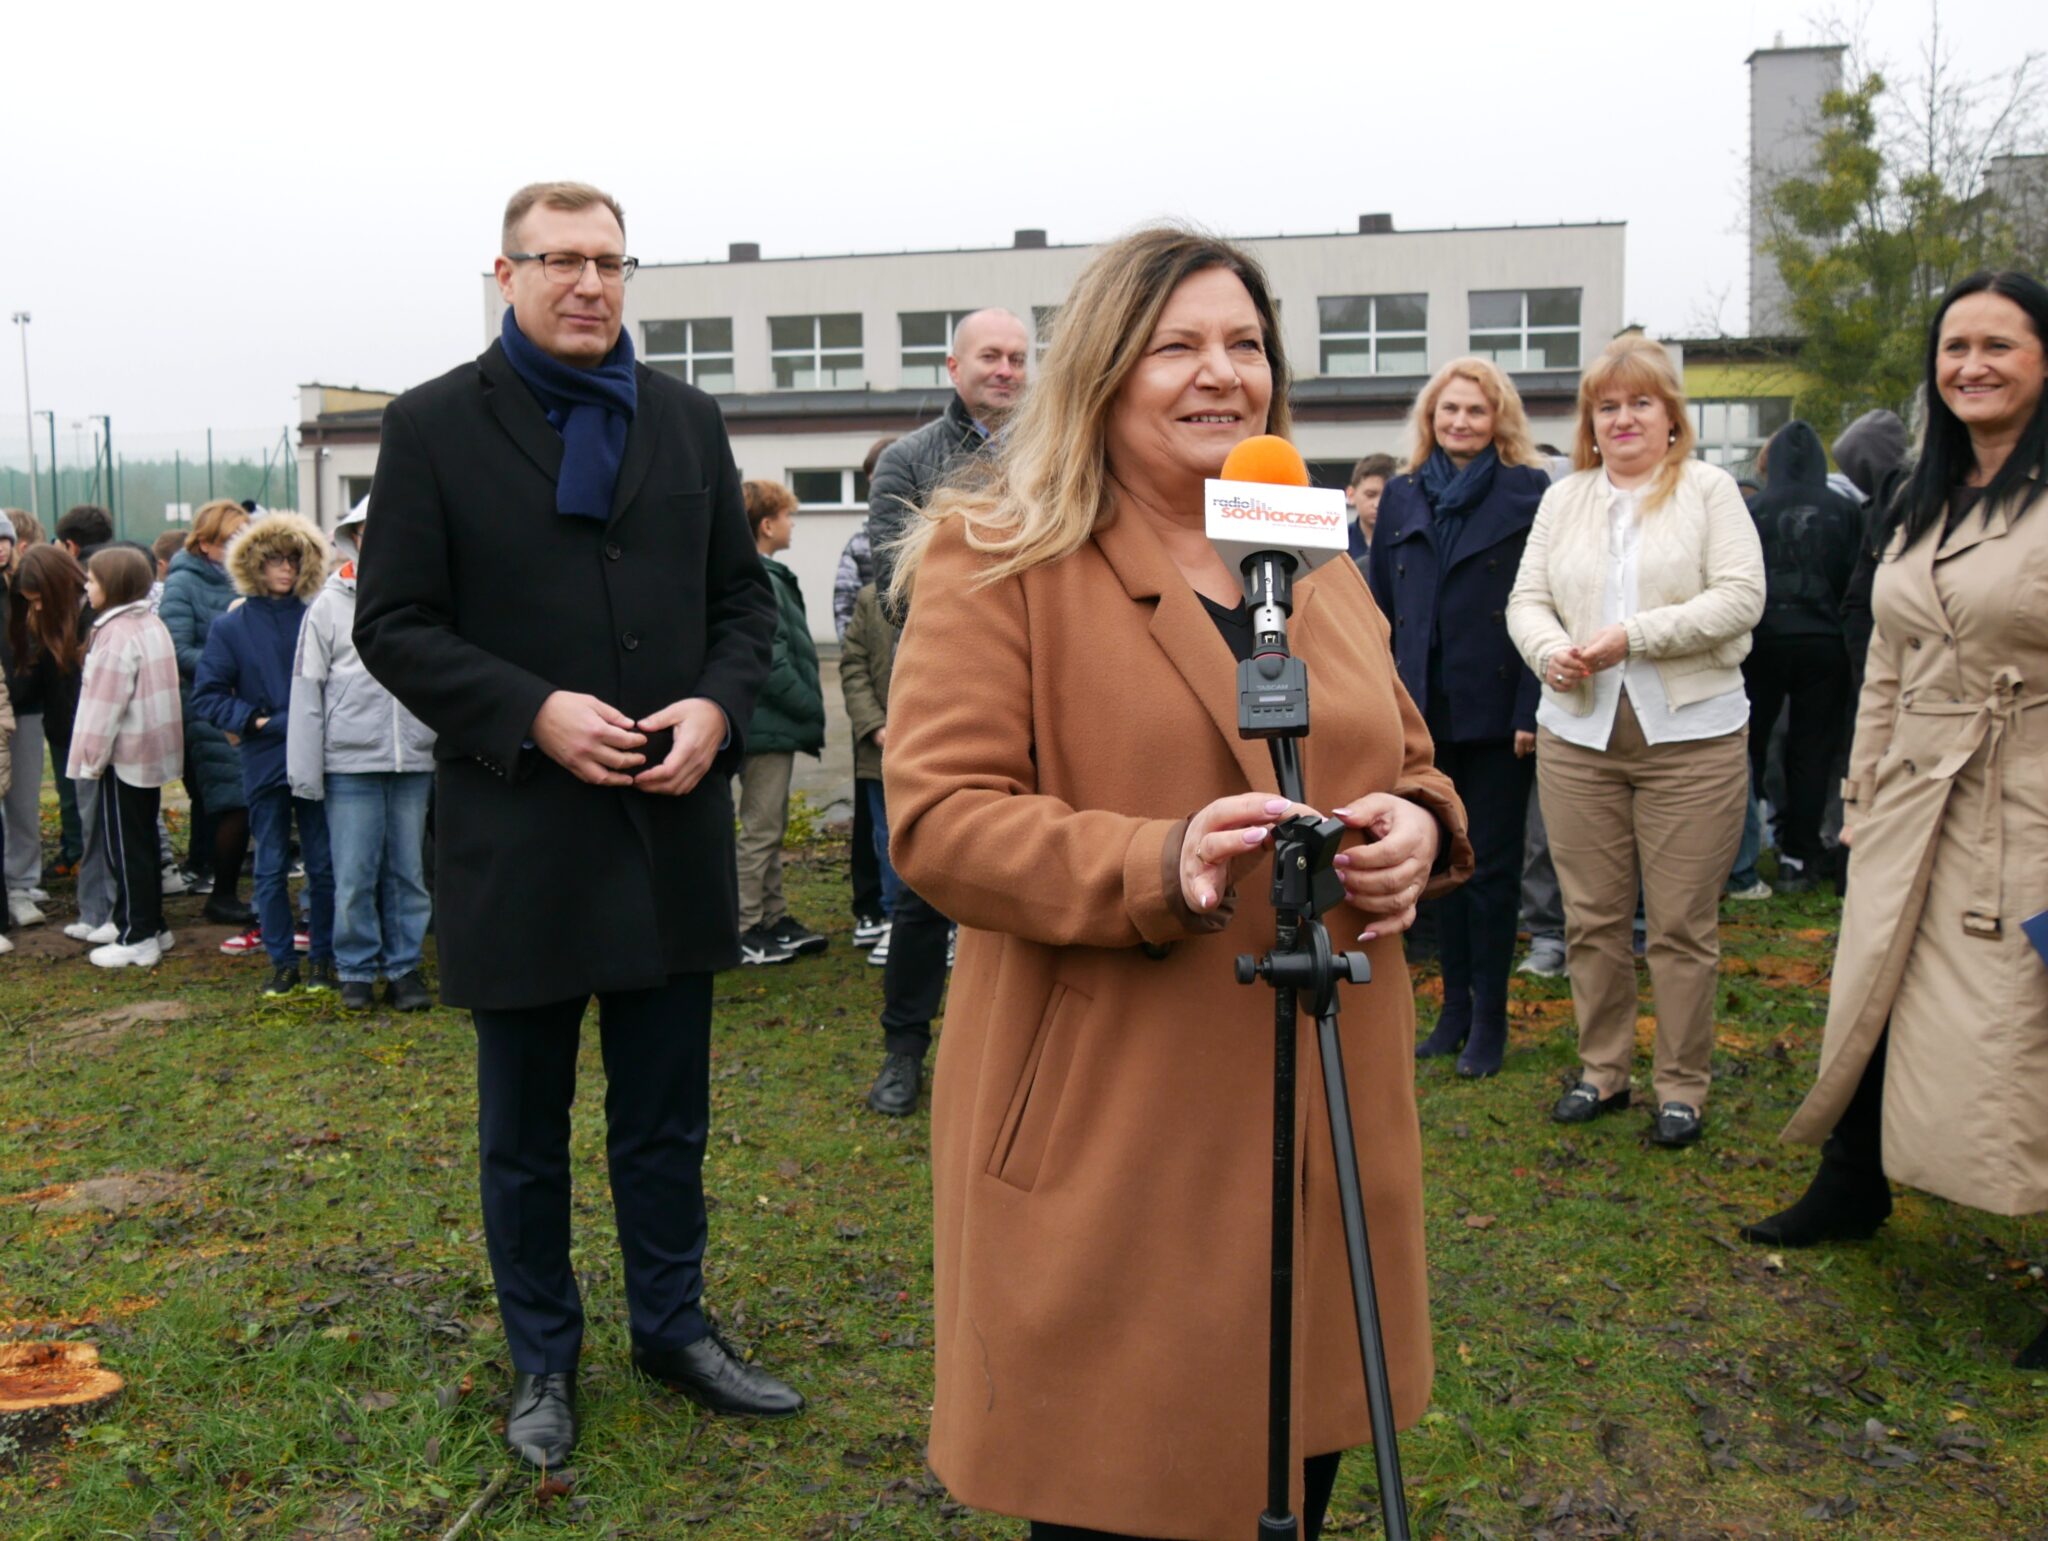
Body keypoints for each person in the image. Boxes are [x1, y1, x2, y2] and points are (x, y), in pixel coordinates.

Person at [882, 225, 1472, 1540]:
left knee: (1301, 1455)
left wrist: (1420, 824)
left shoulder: (1306, 542)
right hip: (1122, 1123)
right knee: (1128, 1476)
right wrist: (1155, 859)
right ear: (1103, 369)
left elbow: (1408, 751)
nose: (1223, 373)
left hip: (1325, 1106)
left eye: (1245, 343)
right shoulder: (1000, 551)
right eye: (1178, 346)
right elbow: (940, 818)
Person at [352, 180, 796, 1473]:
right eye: (561, 260)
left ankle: (673, 1326)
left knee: (665, 1115)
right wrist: (532, 711)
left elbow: (741, 602)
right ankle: (543, 1354)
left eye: (609, 260)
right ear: (507, 274)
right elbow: (395, 622)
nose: (590, 282)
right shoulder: (434, 425)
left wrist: (717, 707)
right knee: (524, 1130)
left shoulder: (684, 418)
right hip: (521, 836)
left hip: (666, 829)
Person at [1743, 270, 2048, 1368]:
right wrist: (1860, 790)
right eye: (1954, 346)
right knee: (1880, 981)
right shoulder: (1923, 493)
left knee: (2032, 1015)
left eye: (1998, 345)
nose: (1971, 365)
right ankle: (1852, 1179)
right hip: (1916, 789)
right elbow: (1886, 653)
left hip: (2028, 797)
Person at [1506, 333, 1764, 1148]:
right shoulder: (1564, 498)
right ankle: (1603, 1069)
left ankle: (1681, 1084)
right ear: (1590, 421)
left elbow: (1741, 596)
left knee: (1681, 924)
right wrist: (1551, 651)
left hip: (1692, 738)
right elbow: (1526, 600)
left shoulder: (1710, 490)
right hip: (1578, 736)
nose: (1623, 419)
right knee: (1592, 919)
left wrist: (1634, 637)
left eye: (1640, 403)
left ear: (1671, 416)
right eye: (1607, 406)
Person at [860, 308, 1032, 1116]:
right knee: (925, 883)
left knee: (1032, 872)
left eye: (1019, 357)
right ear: (953, 367)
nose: (1006, 370)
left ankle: (1022, 1054)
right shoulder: (908, 460)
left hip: (1047, 686)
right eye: (990, 356)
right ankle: (903, 1051)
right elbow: (897, 589)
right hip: (950, 689)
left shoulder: (1055, 451)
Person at [1369, 359, 1551, 1077]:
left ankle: (1490, 1020)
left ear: (1498, 418)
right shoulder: (1404, 495)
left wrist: (1530, 706)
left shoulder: (1529, 492)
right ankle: (1451, 1011)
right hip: (1423, 710)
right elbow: (1380, 610)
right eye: (1449, 409)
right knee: (1440, 864)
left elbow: (1544, 603)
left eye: (1475, 410)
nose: (1461, 422)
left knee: (1492, 871)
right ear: (1430, 418)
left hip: (1498, 713)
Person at [287, 499, 436, 1011]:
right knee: (354, 874)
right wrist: (305, 773)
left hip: (413, 759)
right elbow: (307, 690)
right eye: (370, 530)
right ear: (354, 537)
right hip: (349, 763)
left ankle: (404, 969)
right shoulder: (327, 607)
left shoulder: (424, 600)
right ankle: (355, 969)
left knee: (408, 874)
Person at [191, 512, 337, 997]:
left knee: (322, 861)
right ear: (255, 563)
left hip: (316, 753)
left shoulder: (318, 616)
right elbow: (207, 694)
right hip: (265, 756)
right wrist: (253, 721)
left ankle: (322, 957)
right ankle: (281, 961)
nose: (286, 568)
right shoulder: (231, 627)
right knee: (270, 862)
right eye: (275, 559)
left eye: (294, 559)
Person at [1740, 420, 1864, 893]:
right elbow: (1856, 579)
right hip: (1825, 642)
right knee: (1813, 750)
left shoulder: (1754, 510)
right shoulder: (1844, 509)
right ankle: (1798, 855)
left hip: (1762, 641)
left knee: (1747, 747)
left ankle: (1739, 854)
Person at [65, 547, 182, 968]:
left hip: (124, 756)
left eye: (92, 580)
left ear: (112, 585)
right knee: (142, 839)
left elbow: (103, 707)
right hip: (150, 752)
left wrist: (90, 762)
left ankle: (138, 935)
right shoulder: (150, 622)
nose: (86, 586)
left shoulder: (115, 634)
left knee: (125, 847)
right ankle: (150, 924)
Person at [733, 479, 827, 965]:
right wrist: (809, 706)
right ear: (767, 525)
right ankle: (746, 927)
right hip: (766, 725)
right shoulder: (763, 579)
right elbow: (770, 658)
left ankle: (773, 917)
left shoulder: (767, 574)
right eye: (788, 516)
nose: (793, 524)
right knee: (761, 828)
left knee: (770, 825)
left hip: (771, 725)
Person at [161, 498, 258, 937]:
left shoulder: (248, 579)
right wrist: (232, 665)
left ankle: (215, 880)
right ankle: (222, 894)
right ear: (204, 543)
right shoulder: (183, 584)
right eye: (230, 538)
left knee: (228, 800)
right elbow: (176, 648)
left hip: (246, 703)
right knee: (233, 800)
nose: (240, 544)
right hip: (208, 707)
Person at [6, 547, 90, 929]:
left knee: (25, 802)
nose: (35, 608)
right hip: (26, 708)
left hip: (33, 712)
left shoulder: (34, 593)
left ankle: (22, 883)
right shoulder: (26, 596)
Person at [838, 435, 898, 952]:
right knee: (880, 829)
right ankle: (880, 909)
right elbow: (851, 653)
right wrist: (873, 720)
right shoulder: (860, 556)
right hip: (879, 728)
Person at [838, 579, 901, 964]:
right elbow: (853, 665)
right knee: (887, 836)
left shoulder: (953, 582)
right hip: (881, 749)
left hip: (938, 746)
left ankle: (948, 925)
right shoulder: (870, 597)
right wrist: (874, 725)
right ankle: (895, 918)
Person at [1346, 450, 1394, 568]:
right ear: (1351, 495)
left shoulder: (1410, 543)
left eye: (1387, 496)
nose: (1378, 504)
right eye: (1370, 495)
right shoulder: (1337, 545)